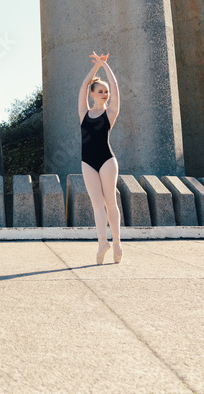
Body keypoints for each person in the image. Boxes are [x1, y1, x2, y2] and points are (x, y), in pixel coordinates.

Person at [78, 51, 122, 264]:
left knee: (110, 201)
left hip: (106, 160)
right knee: (97, 203)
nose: (105, 94)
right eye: (101, 91)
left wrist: (105, 66)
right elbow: (83, 86)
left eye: (106, 92)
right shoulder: (84, 113)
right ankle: (102, 242)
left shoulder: (111, 112)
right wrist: (95, 68)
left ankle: (117, 243)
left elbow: (115, 87)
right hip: (87, 162)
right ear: (92, 94)